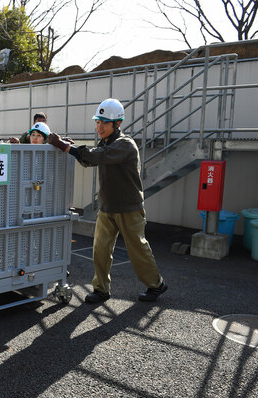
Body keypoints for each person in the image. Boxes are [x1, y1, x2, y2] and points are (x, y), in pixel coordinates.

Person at [45, 98, 168, 304]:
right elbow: (89, 158)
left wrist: (66, 147)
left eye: (104, 123)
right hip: (107, 207)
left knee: (138, 249)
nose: (99, 127)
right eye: (98, 122)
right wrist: (70, 147)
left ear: (117, 124)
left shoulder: (125, 145)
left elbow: (97, 157)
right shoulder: (106, 144)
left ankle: (156, 285)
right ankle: (101, 289)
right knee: (100, 249)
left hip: (129, 208)